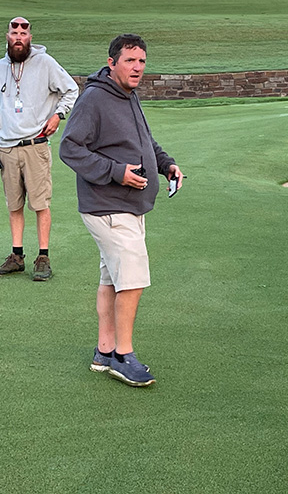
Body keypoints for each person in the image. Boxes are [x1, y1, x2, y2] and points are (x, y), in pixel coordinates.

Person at [59, 34, 183, 387]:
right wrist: (117, 173)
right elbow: (70, 148)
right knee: (132, 280)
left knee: (112, 279)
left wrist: (166, 164)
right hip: (107, 205)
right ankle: (123, 357)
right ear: (112, 62)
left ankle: (104, 350)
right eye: (130, 61)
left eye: (142, 61)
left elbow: (144, 141)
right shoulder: (95, 98)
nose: (138, 68)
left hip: (129, 205)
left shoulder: (128, 95)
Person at [0, 17, 79, 281]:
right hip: (6, 148)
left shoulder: (45, 63)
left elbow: (71, 90)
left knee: (40, 204)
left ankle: (43, 257)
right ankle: (16, 256)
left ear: (30, 36)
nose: (18, 36)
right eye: (14, 31)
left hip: (35, 145)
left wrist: (58, 115)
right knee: (14, 205)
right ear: (7, 35)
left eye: (23, 32)